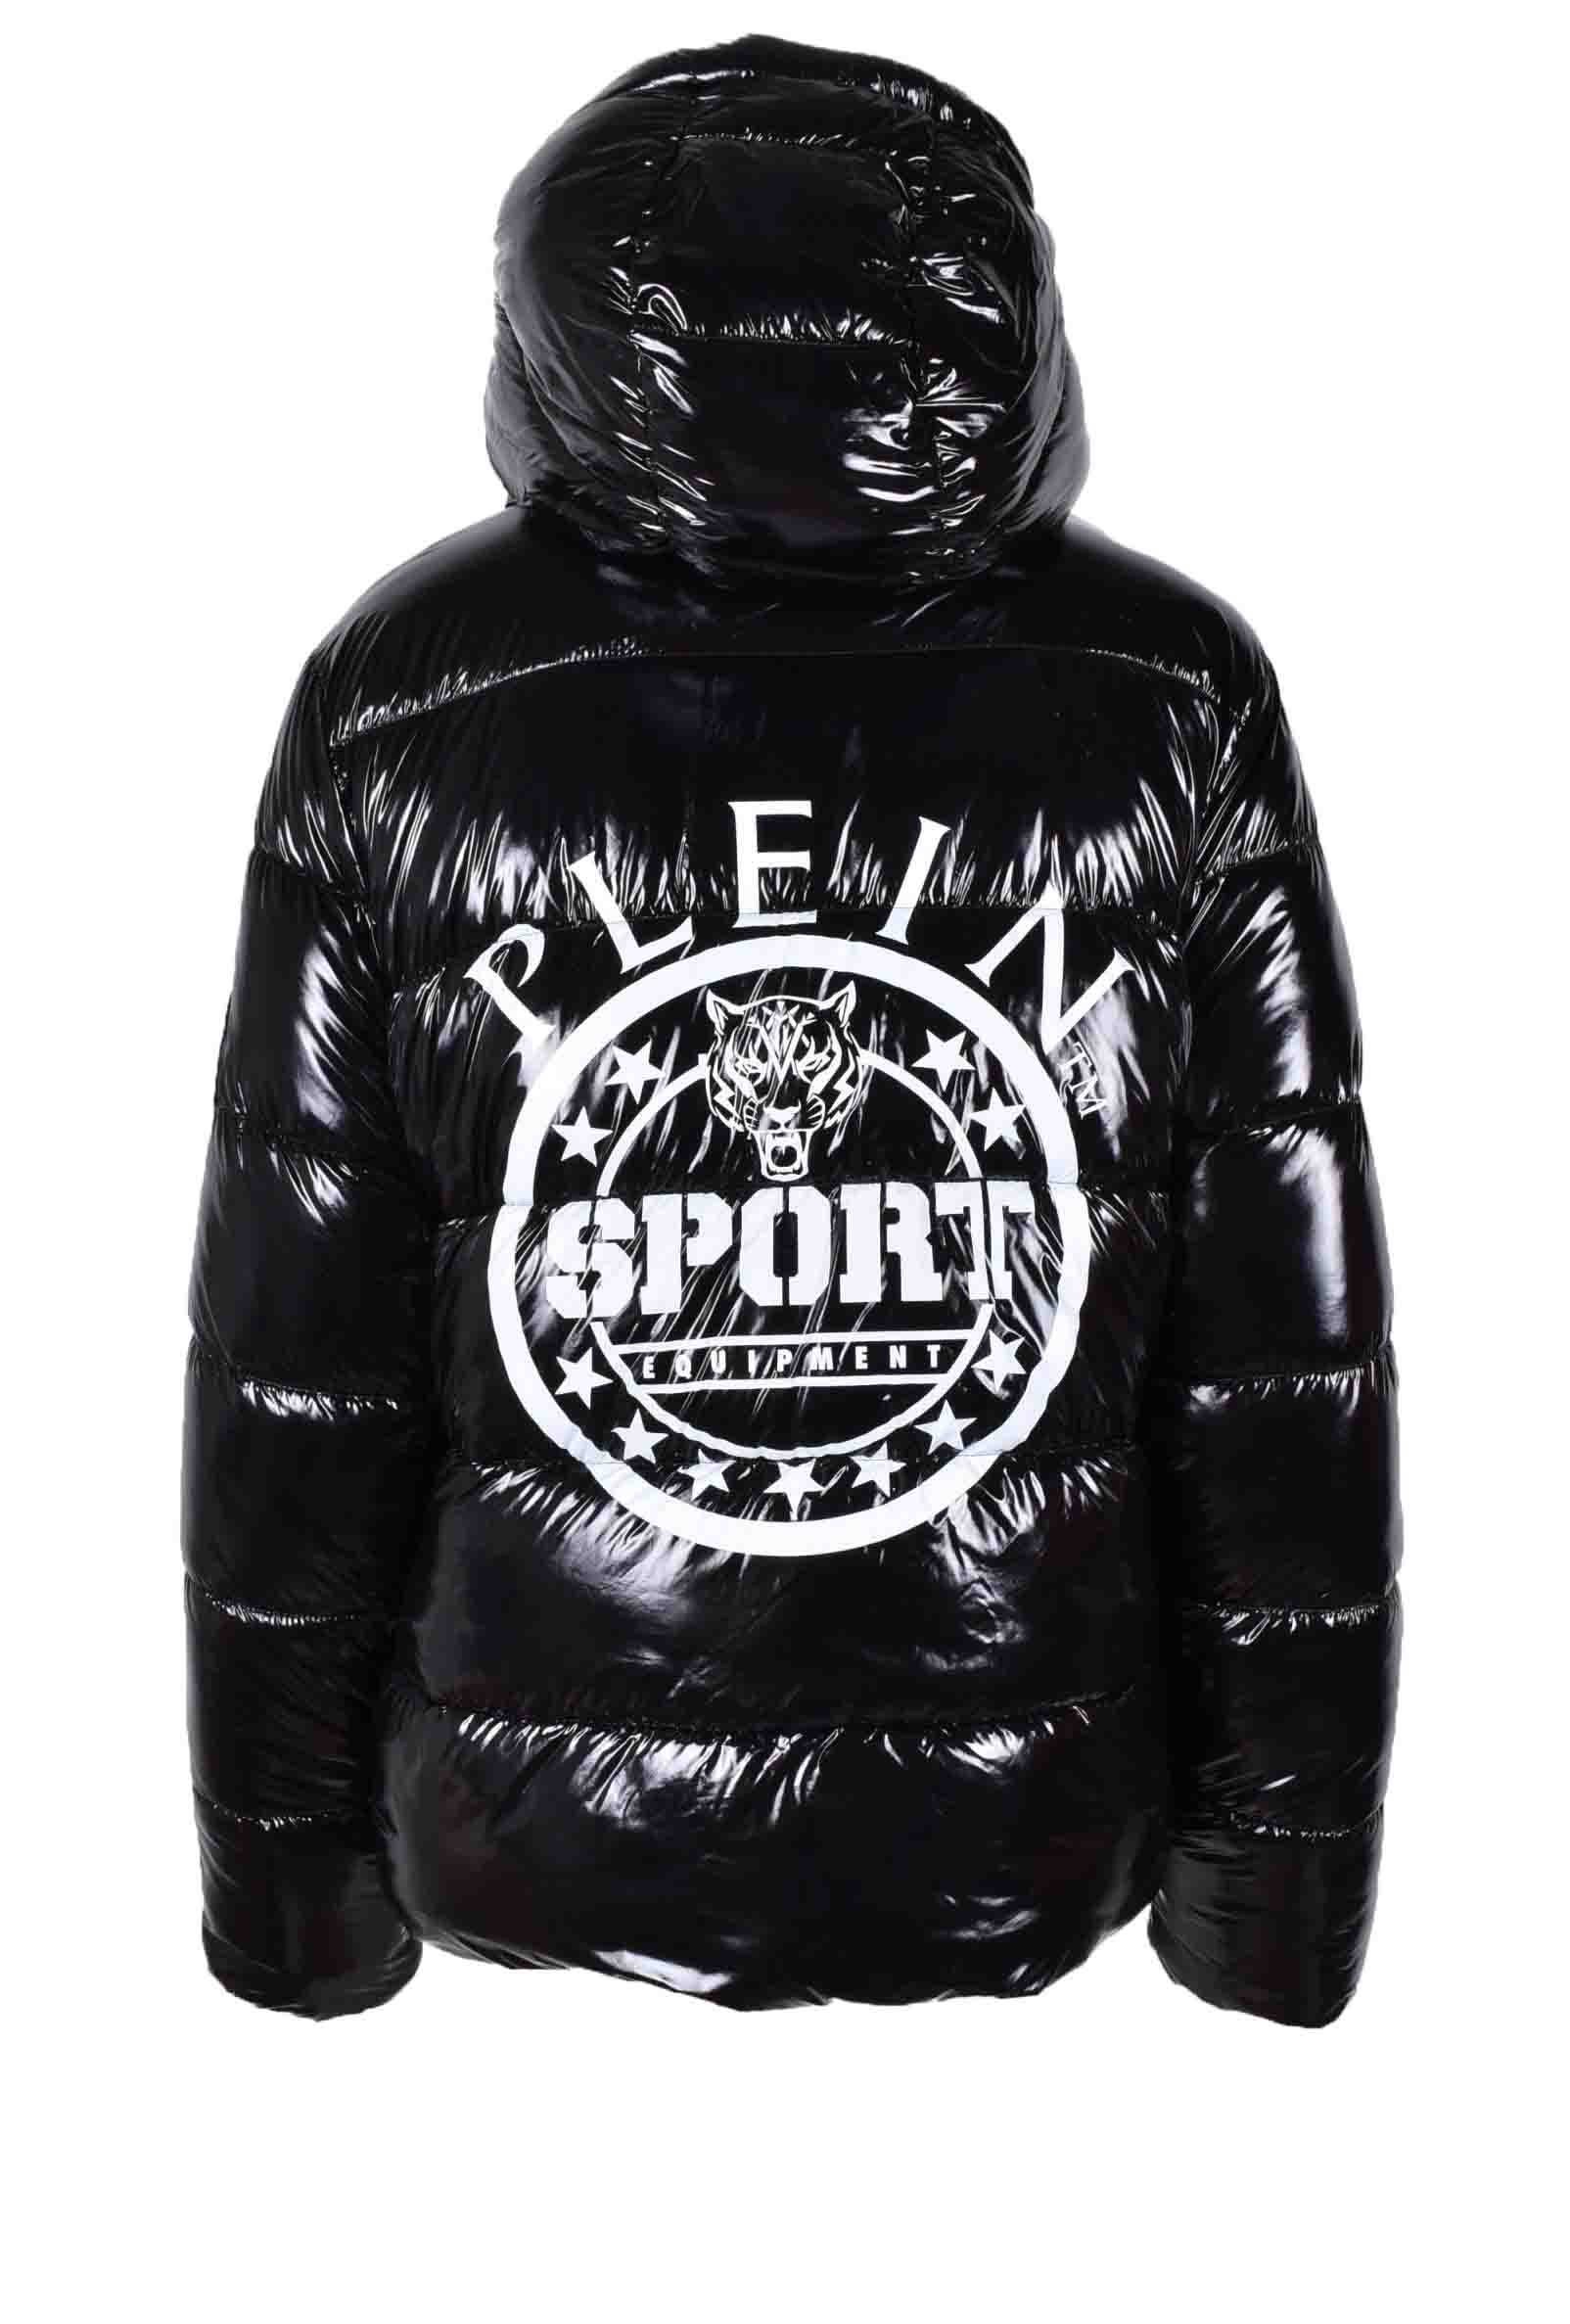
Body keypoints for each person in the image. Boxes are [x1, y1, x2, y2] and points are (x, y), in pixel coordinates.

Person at [185, 33, 1400, 2024]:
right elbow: (1282, 1367)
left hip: (529, 1825)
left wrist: (292, 1906)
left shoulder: (401, 693)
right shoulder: (1171, 689)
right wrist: (1273, 1908)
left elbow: (297, 1363)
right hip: (1030, 1824)